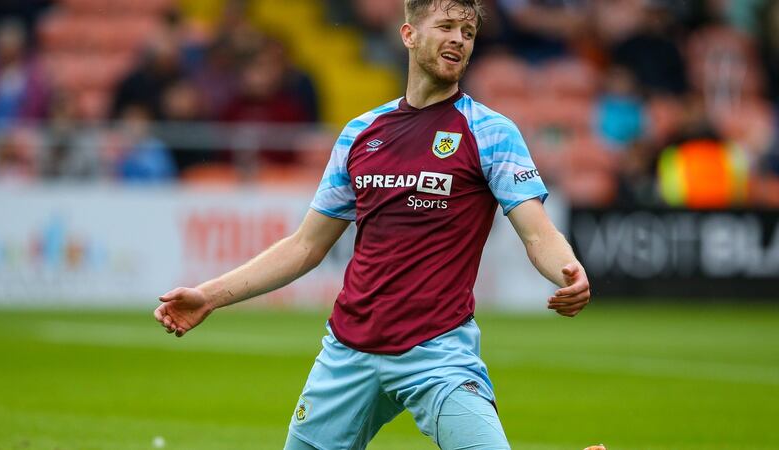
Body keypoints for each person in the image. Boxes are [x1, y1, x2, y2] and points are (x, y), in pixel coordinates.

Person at [154, 1, 591, 448]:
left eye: (468, 31)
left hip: (436, 352)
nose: (459, 38)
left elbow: (537, 232)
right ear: (409, 35)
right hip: (348, 351)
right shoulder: (360, 133)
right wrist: (208, 295)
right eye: (445, 26)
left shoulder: (492, 132)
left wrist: (567, 270)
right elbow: (305, 246)